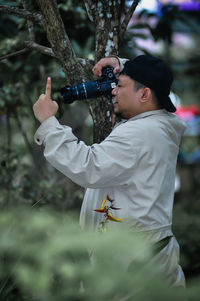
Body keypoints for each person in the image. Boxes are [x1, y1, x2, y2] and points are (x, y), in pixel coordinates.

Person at [33, 55, 186, 287]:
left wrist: (48, 123)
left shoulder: (141, 133)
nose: (113, 92)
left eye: (120, 86)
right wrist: (120, 64)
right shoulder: (156, 124)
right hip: (136, 252)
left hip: (136, 261)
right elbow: (145, 73)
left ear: (144, 94)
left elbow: (89, 167)